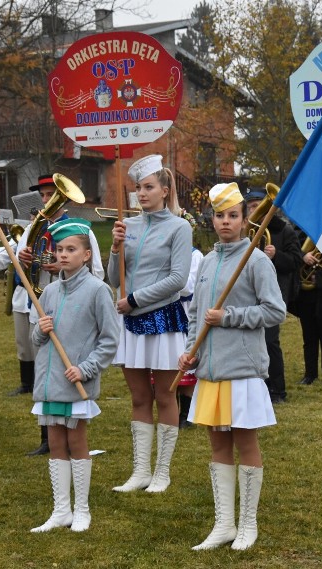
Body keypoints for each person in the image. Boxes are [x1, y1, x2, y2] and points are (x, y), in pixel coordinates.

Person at [180, 182, 285, 551]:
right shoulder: (207, 261)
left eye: (233, 216)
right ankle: (224, 524)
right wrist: (189, 349)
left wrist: (230, 316)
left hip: (242, 367)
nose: (225, 222)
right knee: (217, 444)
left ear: (244, 220)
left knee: (246, 441)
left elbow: (275, 311)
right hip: (210, 369)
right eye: (220, 215)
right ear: (212, 219)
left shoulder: (256, 260)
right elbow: (195, 314)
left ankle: (248, 525)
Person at [0, 174, 103, 457]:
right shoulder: (32, 228)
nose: (46, 201)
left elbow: (97, 271)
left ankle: (74, 433)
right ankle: (47, 436)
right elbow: (16, 263)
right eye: (43, 196)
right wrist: (25, 260)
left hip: (73, 309)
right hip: (41, 305)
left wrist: (62, 268)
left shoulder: (81, 230)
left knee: (68, 367)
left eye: (51, 195)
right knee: (45, 369)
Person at [29, 218, 119, 533]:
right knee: (55, 441)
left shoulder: (98, 291)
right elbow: (34, 340)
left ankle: (82, 510)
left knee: (76, 440)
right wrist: (40, 330)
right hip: (50, 382)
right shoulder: (49, 292)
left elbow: (110, 340)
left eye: (71, 249)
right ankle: (60, 510)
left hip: (76, 381)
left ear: (86, 255)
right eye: (60, 250)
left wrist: (85, 368)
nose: (64, 255)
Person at [108, 154, 192, 493]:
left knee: (165, 397)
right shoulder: (128, 227)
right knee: (139, 398)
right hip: (130, 322)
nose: (141, 194)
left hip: (163, 320)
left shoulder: (180, 227)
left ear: (164, 189)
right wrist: (114, 248)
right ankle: (140, 470)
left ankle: (162, 472)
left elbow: (177, 278)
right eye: (137, 189)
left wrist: (137, 301)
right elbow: (115, 279)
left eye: (148, 187)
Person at [243, 186, 302, 404]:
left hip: (275, 291)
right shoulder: (246, 230)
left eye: (257, 206)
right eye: (250, 207)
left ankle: (278, 390)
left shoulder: (283, 230)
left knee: (270, 341)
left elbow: (296, 261)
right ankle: (259, 386)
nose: (253, 210)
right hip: (250, 291)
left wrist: (277, 255)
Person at [292, 232, 322, 386]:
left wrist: (320, 279)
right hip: (305, 295)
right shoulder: (297, 233)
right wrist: (303, 256)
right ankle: (310, 374)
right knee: (309, 337)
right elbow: (291, 253)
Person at [176, 242, 203, 429]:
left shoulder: (195, 255)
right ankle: (171, 408)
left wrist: (170, 279)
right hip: (164, 311)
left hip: (185, 312)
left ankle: (186, 413)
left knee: (186, 359)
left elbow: (188, 286)